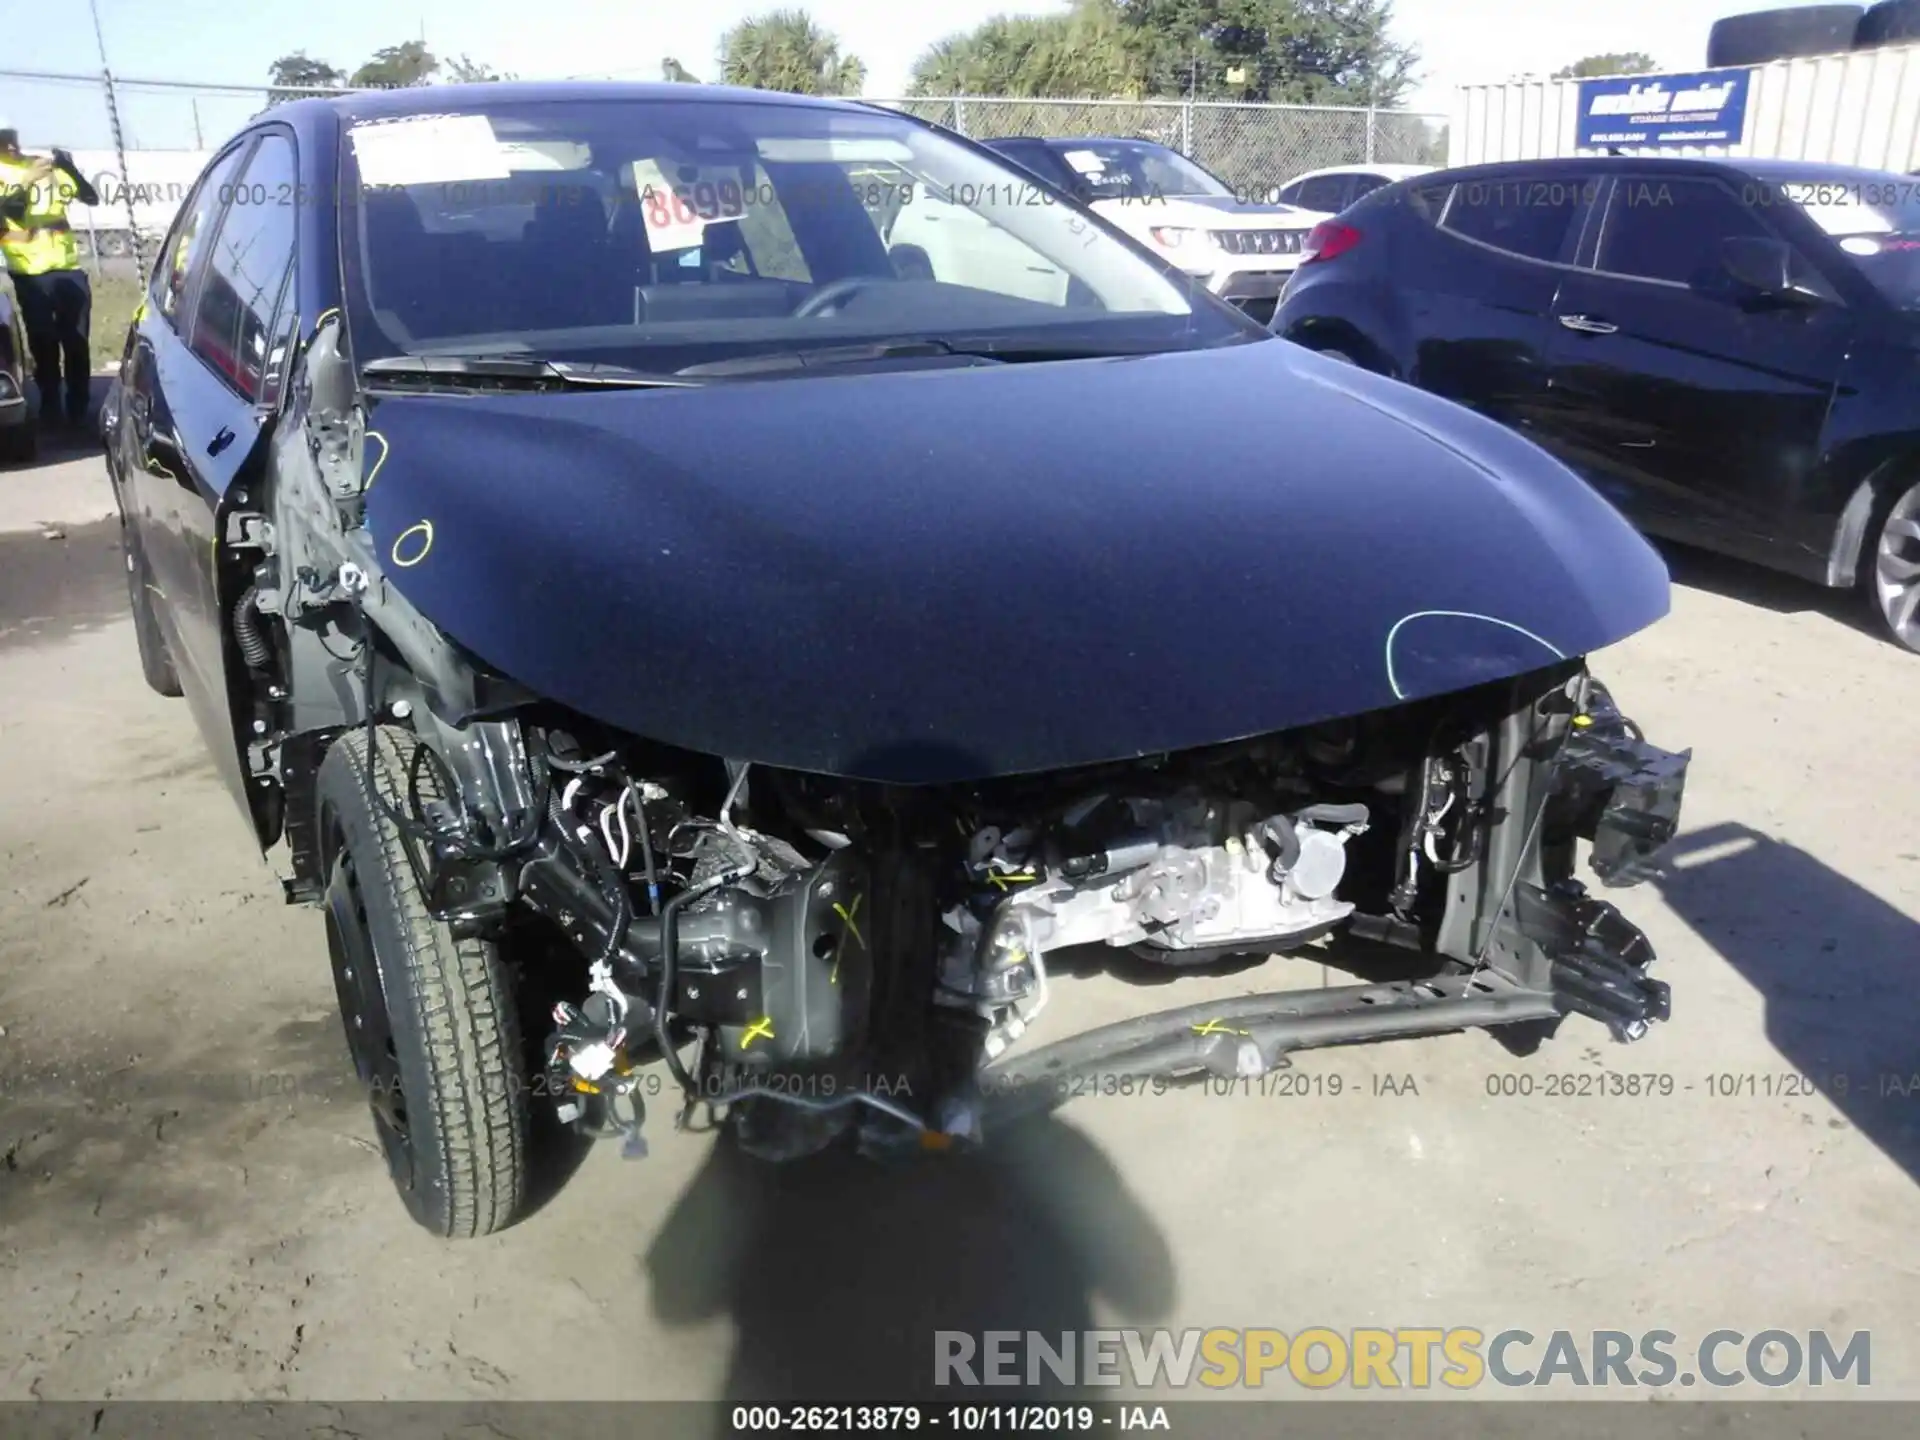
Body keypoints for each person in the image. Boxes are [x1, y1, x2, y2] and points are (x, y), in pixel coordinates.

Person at [0, 120, 99, 428]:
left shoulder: (43, 167)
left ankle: (79, 406)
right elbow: (10, 211)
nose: (13, 145)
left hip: (67, 266)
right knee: (43, 342)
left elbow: (89, 196)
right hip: (29, 271)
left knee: (76, 340)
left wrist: (70, 168)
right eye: (4, 140)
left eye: (14, 138)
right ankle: (51, 404)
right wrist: (26, 181)